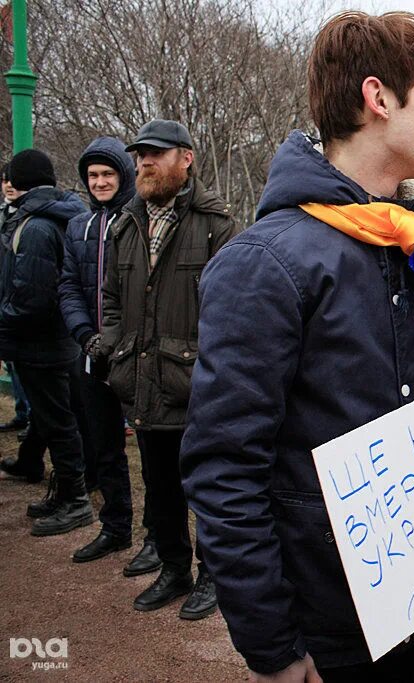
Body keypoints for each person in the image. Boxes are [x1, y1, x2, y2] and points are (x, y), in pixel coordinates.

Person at [180, 11, 414, 682]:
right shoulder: (265, 264)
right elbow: (224, 471)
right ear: (377, 97)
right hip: (329, 633)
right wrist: (273, 648)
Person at [94, 120, 239, 619]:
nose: (144, 164)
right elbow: (112, 299)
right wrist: (113, 347)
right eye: (139, 156)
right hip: (140, 379)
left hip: (197, 385)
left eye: (155, 154)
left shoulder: (216, 224)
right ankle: (174, 569)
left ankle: (212, 576)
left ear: (187, 158)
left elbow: (230, 311)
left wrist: (209, 368)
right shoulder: (125, 224)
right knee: (159, 486)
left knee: (208, 488)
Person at [58, 136, 161, 569]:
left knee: (154, 454)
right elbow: (67, 285)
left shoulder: (140, 221)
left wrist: (122, 339)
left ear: (122, 175)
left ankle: (158, 538)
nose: (100, 181)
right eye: (93, 175)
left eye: (107, 174)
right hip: (92, 354)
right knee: (104, 448)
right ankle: (115, 525)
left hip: (136, 356)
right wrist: (85, 335)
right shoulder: (78, 226)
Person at [0, 149, 94, 536]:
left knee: (58, 421)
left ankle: (75, 499)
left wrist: (3, 318)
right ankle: (40, 469)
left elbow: (32, 298)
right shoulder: (55, 216)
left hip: (38, 342)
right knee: (51, 414)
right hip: (55, 340)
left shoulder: (36, 227)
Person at [0, 164, 31, 437]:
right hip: (4, 296)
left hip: (18, 299)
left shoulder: (31, 217)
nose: (9, 185)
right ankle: (22, 413)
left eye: (14, 180)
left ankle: (32, 417)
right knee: (12, 364)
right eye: (5, 180)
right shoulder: (2, 214)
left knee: (25, 366)